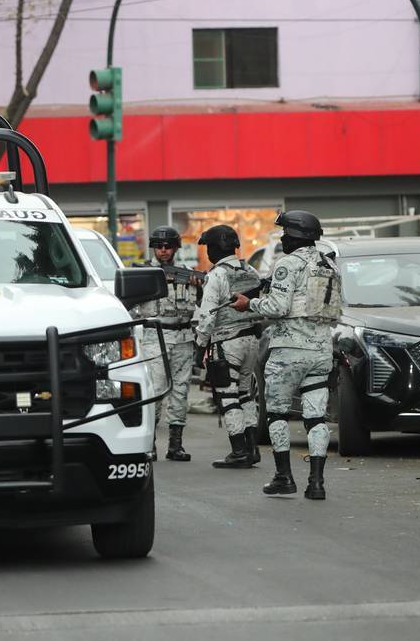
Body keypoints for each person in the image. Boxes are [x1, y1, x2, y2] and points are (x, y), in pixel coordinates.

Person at [231, 211, 341, 499]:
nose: (282, 238)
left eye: (285, 233)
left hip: (289, 352)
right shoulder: (330, 263)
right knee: (316, 418)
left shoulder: (287, 264)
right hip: (321, 349)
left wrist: (249, 304)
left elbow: (278, 307)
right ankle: (316, 483)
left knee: (277, 413)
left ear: (295, 235)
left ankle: (284, 476)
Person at [194, 225, 262, 469]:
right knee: (246, 394)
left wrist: (200, 346)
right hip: (252, 339)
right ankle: (252, 448)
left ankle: (239, 451)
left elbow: (207, 315)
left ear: (214, 248)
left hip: (227, 342)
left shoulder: (216, 275)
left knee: (227, 394)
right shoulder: (251, 270)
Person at [134, 226, 200, 462]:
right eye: (159, 246)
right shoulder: (144, 274)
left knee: (181, 391)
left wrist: (199, 285)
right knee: (155, 391)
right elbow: (129, 305)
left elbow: (203, 303)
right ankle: (149, 443)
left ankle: (175, 445)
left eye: (168, 246)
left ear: (176, 248)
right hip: (156, 336)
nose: (163, 250)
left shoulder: (188, 274)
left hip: (183, 337)